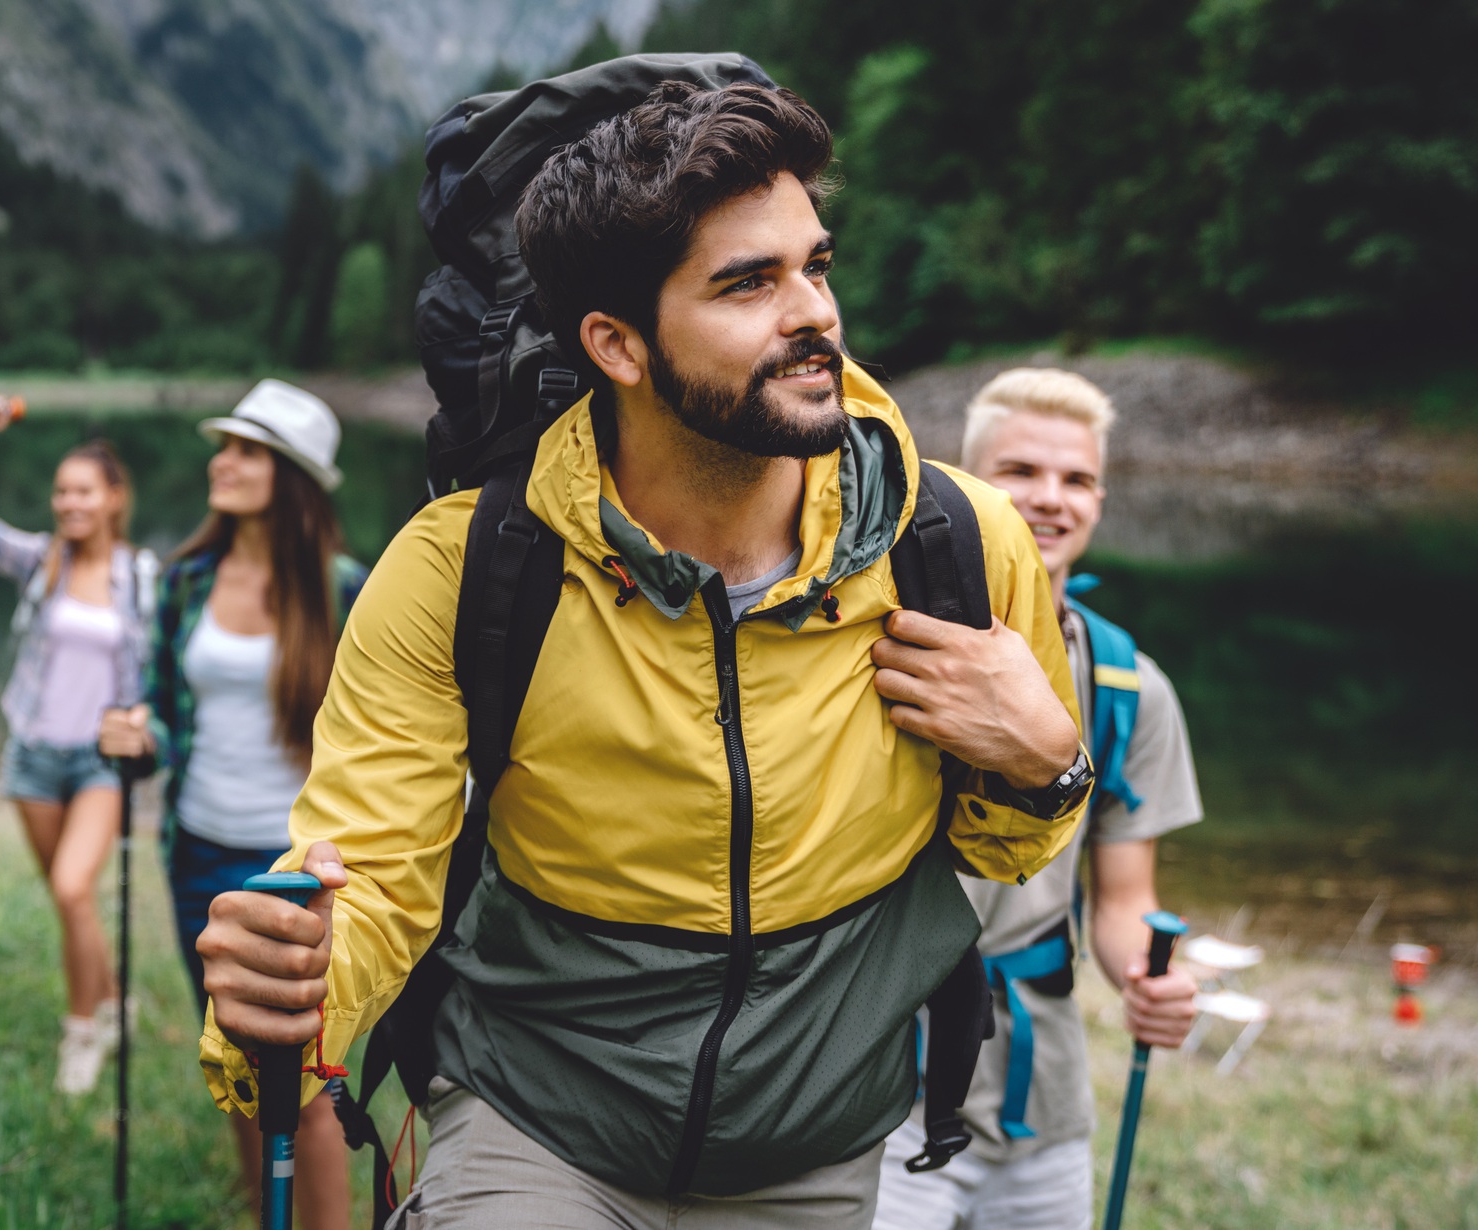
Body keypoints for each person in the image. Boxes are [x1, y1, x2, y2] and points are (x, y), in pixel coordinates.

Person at [181, 82, 1095, 1229]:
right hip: (532, 1121)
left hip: (809, 1157)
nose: (812, 312)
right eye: (746, 283)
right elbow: (371, 868)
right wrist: (292, 983)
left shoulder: (954, 543)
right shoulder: (464, 569)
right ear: (614, 343)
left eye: (814, 265)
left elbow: (1001, 846)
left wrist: (1047, 759)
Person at [873, 368, 1204, 1229]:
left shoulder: (1132, 687)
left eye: (1078, 478)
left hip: (1044, 1105)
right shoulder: (889, 646)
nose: (1051, 499)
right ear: (966, 482)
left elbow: (1127, 901)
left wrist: (1149, 976)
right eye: (1021, 471)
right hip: (881, 1089)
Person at [99, 379, 365, 1229]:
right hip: (199, 857)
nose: (224, 461)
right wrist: (141, 739)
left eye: (248, 450)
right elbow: (168, 714)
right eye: (225, 445)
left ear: (290, 476)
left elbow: (387, 743)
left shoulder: (348, 588)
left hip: (297, 871)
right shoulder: (185, 580)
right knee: (237, 1075)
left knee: (309, 1090)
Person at [0, 397, 155, 1095]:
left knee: (71, 888)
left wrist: (147, 716)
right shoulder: (43, 562)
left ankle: (81, 1033)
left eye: (84, 490)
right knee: (71, 902)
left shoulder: (144, 578)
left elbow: (166, 663)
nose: (69, 502)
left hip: (100, 760)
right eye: (62, 491)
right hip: (33, 752)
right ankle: (118, 1000)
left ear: (115, 498)